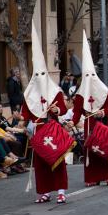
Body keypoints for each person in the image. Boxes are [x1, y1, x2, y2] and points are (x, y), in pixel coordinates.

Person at [23, 24, 69, 205]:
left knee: (57, 161)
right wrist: (26, 123)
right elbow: (25, 112)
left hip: (52, 129)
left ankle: (60, 191)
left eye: (44, 73)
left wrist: (57, 110)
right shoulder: (29, 93)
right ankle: (44, 191)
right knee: (41, 164)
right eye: (38, 74)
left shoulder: (55, 90)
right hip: (38, 131)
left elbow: (63, 109)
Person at [72, 31, 108, 187]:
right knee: (91, 151)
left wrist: (103, 112)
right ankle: (93, 177)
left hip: (102, 123)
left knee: (106, 149)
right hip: (88, 124)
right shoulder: (80, 94)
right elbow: (77, 111)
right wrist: (72, 122)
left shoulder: (103, 90)